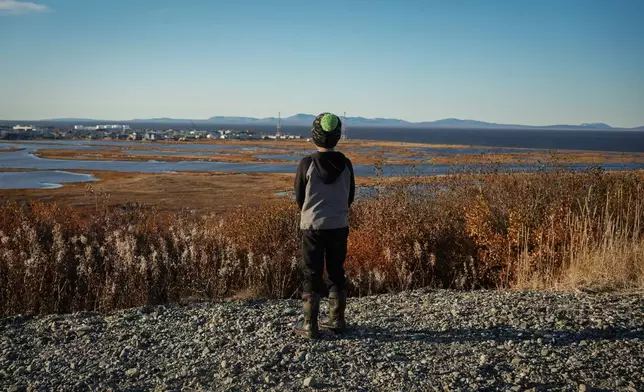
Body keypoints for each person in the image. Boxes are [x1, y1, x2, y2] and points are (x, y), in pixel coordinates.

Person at [293, 112, 355, 339]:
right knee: (336, 270)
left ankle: (310, 324)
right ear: (337, 136)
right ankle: (337, 320)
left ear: (314, 135)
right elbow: (350, 196)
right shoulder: (346, 164)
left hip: (312, 227)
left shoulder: (306, 163)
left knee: (312, 272)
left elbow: (299, 197)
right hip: (339, 225)